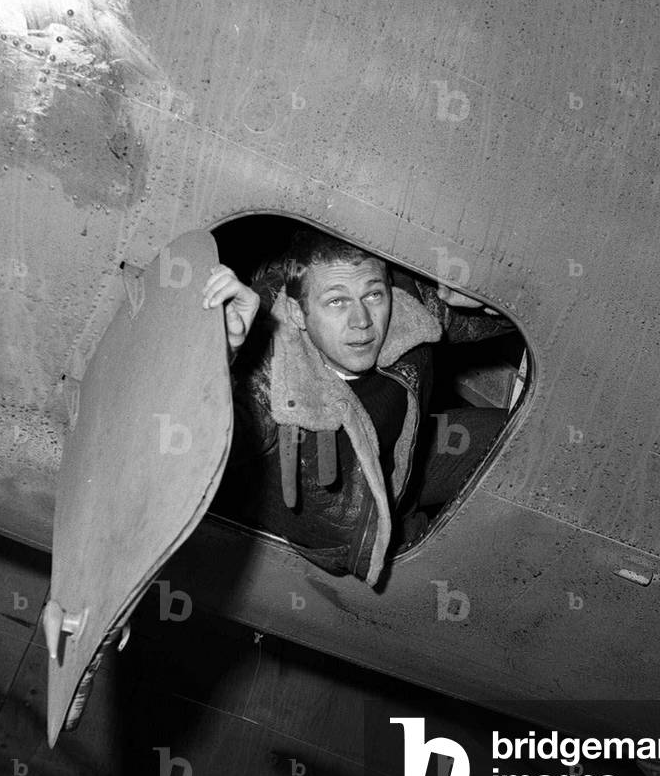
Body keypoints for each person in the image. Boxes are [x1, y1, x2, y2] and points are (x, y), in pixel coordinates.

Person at [202, 229, 511, 587]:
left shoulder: (404, 308)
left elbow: (489, 316)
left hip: (406, 461)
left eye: (373, 295)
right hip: (360, 531)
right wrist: (226, 353)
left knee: (523, 446)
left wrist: (490, 298)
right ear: (298, 314)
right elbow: (201, 443)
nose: (362, 320)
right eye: (337, 302)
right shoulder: (269, 382)